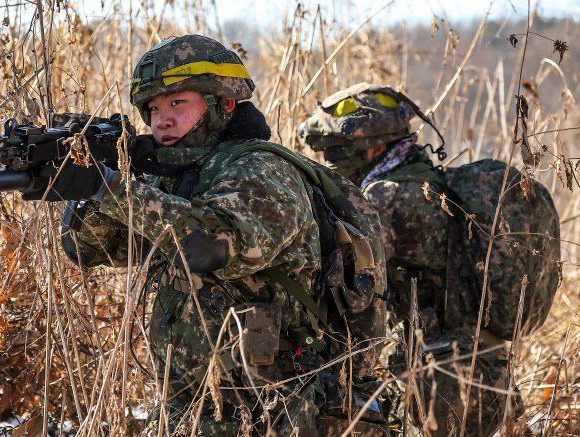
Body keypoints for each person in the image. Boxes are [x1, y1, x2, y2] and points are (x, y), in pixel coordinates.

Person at [21, 36, 389, 436]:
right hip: (194, 408)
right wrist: (99, 175)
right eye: (153, 109)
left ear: (224, 103)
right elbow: (89, 249)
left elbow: (214, 245)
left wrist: (110, 188)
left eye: (177, 103)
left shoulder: (262, 170)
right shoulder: (183, 178)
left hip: (276, 410)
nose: (161, 120)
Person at [298, 83, 537, 436]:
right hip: (484, 363)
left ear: (374, 147)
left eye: (336, 154)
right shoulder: (430, 182)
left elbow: (342, 273)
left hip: (442, 378)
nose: (331, 164)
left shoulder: (387, 196)